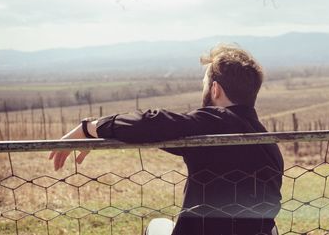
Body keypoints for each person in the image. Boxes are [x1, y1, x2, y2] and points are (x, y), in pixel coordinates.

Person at [49, 44, 284, 235]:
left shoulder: (214, 123)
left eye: (204, 84)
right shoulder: (271, 146)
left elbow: (152, 122)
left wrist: (90, 128)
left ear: (215, 90)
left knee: (157, 226)